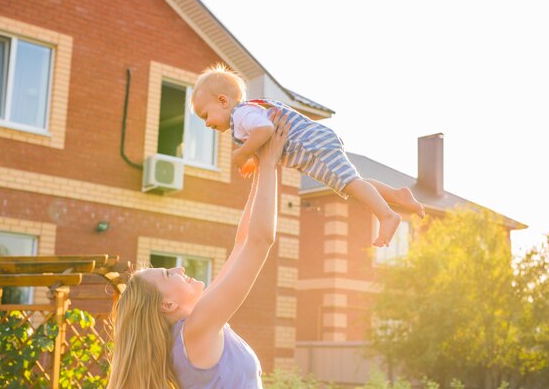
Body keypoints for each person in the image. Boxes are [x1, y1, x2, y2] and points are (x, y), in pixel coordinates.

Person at [107, 112, 290, 389]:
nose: (180, 269)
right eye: (169, 274)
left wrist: (261, 171)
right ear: (168, 305)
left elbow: (242, 243)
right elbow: (260, 241)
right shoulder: (195, 330)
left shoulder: (194, 327)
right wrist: (269, 162)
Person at [191, 63, 425, 247]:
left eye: (205, 116)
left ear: (223, 101)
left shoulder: (240, 115)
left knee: (349, 183)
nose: (206, 123)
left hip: (311, 146)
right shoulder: (247, 112)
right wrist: (254, 161)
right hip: (314, 144)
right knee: (352, 184)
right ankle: (396, 195)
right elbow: (262, 136)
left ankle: (386, 215)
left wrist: (243, 153)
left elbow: (265, 130)